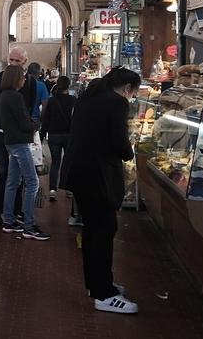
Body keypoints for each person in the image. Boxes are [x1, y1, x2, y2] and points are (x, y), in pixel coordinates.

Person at [60, 68, 141, 314]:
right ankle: (103, 294)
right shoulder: (116, 103)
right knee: (103, 231)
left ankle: (97, 283)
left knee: (94, 230)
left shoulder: (88, 97)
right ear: (127, 88)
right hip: (98, 176)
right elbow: (119, 141)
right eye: (133, 92)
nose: (132, 97)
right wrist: (130, 151)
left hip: (80, 173)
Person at [0, 46, 38, 226]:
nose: (14, 64)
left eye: (18, 61)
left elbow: (30, 107)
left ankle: (16, 210)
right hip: (1, 133)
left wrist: (26, 127)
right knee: (2, 170)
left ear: (25, 62)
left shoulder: (28, 82)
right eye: (11, 60)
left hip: (19, 135)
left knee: (19, 174)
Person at [0, 65, 50, 241]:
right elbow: (23, 122)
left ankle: (9, 222)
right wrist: (36, 124)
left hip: (10, 142)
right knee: (32, 182)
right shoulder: (15, 96)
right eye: (22, 77)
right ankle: (29, 226)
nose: (25, 80)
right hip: (20, 143)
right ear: (15, 79)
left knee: (12, 182)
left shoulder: (4, 96)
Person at [40, 76, 76, 201]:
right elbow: (76, 119)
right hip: (68, 135)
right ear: (68, 86)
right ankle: (69, 190)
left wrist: (41, 136)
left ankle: (52, 190)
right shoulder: (73, 100)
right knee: (68, 163)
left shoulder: (52, 101)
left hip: (54, 135)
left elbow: (46, 119)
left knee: (55, 163)